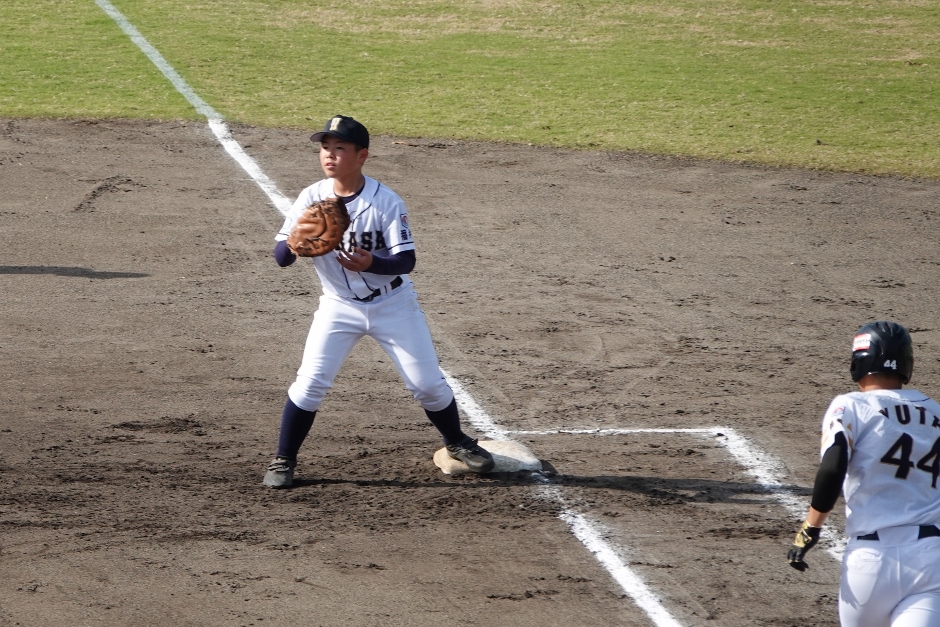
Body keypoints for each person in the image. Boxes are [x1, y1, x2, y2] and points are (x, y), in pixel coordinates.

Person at [262, 114, 494, 488]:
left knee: (427, 385)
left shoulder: (386, 202)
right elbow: (280, 258)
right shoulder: (310, 197)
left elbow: (406, 261)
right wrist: (293, 244)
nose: (329, 155)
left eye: (339, 148)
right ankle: (283, 459)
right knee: (311, 382)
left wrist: (373, 263)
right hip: (338, 306)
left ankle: (456, 441)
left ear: (362, 155)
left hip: (393, 305)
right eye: (325, 147)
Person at [787, 320, 940, 626]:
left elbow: (833, 466)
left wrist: (810, 528)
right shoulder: (936, 411)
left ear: (859, 361)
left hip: (870, 561)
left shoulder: (850, 405)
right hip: (931, 558)